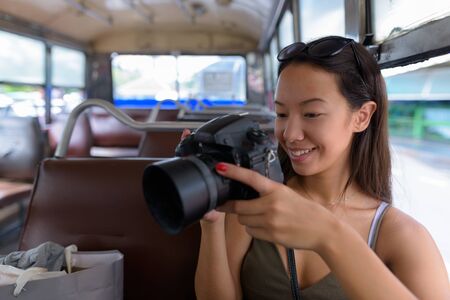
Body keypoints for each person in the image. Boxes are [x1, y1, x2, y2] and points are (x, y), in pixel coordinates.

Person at [189, 36, 450, 300]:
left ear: (361, 117)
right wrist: (212, 225)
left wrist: (329, 235)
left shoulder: (401, 236)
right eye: (281, 114)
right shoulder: (256, 199)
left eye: (311, 114)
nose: (290, 134)